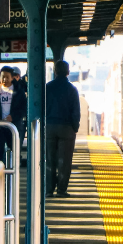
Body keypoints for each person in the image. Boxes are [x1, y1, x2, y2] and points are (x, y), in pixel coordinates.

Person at [45, 60, 80, 198]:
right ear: (68, 72)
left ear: (55, 71)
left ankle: (49, 190)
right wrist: (74, 127)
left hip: (50, 127)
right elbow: (75, 111)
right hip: (66, 128)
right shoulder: (72, 89)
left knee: (50, 159)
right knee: (64, 161)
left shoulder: (48, 87)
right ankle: (61, 190)